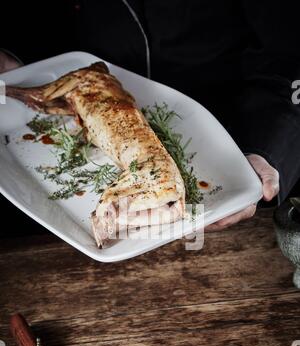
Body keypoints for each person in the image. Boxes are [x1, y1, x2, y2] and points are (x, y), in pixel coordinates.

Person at [3, 0, 297, 233]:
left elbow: (289, 55)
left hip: (230, 140)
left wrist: (267, 147)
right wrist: (11, 56)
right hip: (74, 114)